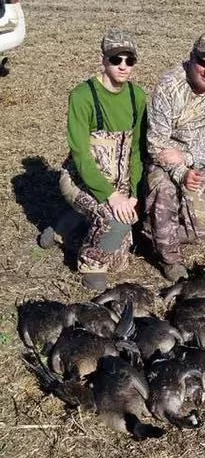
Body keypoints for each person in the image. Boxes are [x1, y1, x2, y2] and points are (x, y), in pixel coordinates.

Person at [54, 28, 146, 291]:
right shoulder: (82, 96)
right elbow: (81, 156)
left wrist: (134, 194)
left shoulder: (137, 96)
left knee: (120, 261)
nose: (123, 66)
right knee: (114, 222)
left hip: (120, 181)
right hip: (80, 180)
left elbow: (138, 150)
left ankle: (66, 227)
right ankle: (89, 263)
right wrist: (111, 196)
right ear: (103, 59)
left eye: (130, 60)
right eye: (116, 59)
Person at [144, 34, 205, 282]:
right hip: (165, 164)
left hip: (198, 167)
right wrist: (180, 172)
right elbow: (156, 145)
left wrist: (189, 157)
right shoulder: (169, 86)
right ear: (191, 58)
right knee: (164, 190)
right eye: (203, 63)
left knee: (197, 233)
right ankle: (170, 259)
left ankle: (146, 225)